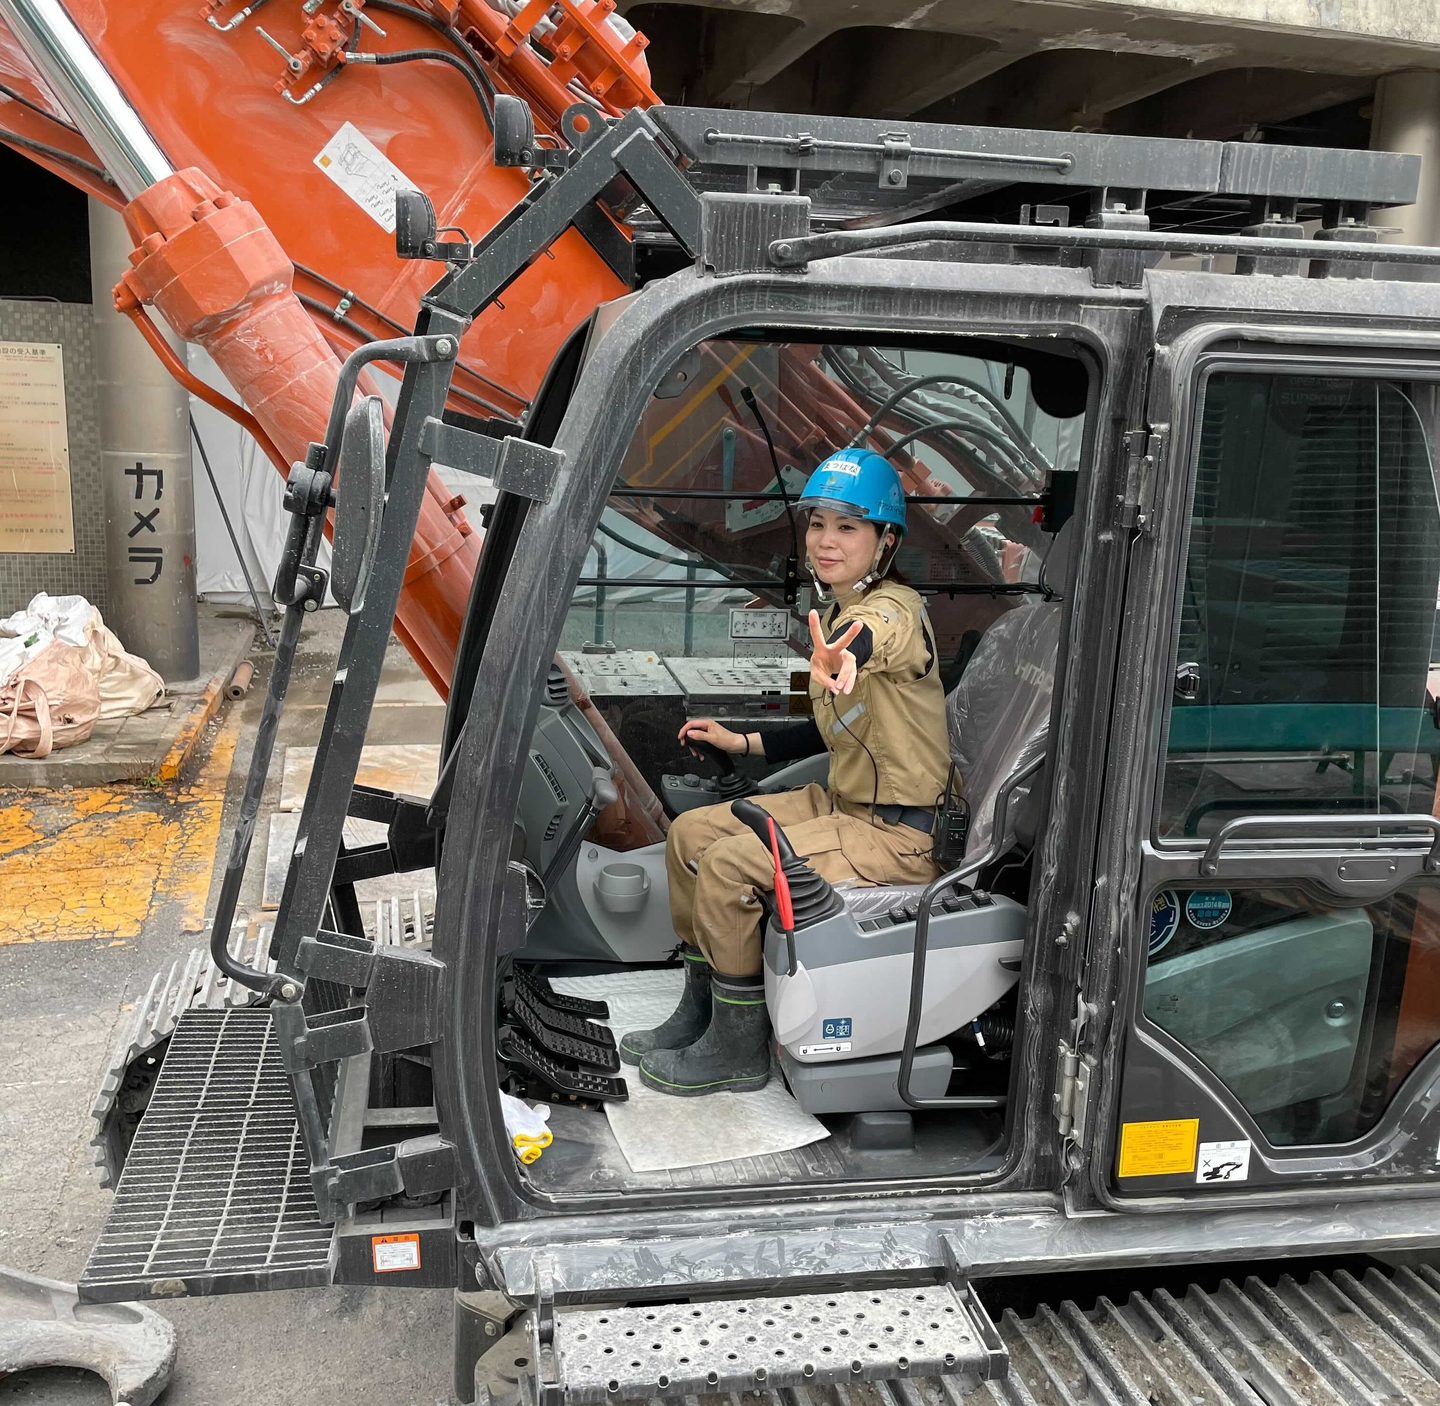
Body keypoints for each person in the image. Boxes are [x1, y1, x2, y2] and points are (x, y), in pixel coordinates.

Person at [623, 448, 952, 1097]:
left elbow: (872, 638)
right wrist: (740, 741)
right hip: (844, 804)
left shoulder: (893, 612)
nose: (826, 541)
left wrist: (845, 655)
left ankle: (738, 1047)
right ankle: (702, 1009)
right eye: (818, 524)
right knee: (690, 836)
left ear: (886, 541)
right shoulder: (835, 613)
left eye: (848, 527)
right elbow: (826, 727)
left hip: (899, 834)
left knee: (729, 865)